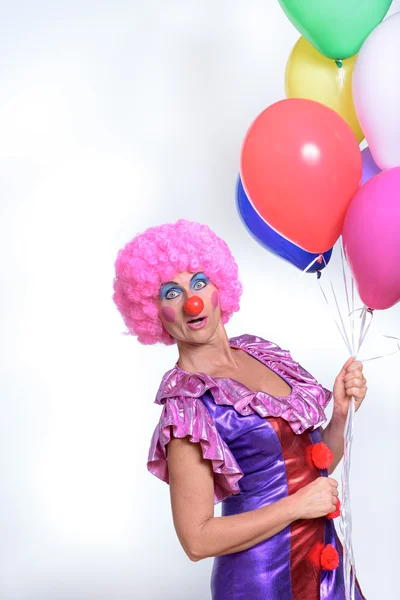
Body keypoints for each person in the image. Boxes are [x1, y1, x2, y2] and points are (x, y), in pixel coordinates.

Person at [113, 219, 368, 600]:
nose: (191, 302)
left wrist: (342, 416)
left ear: (219, 286)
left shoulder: (260, 353)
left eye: (199, 283)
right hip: (263, 583)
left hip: (323, 566)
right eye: (171, 293)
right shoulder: (189, 406)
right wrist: (298, 506)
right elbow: (196, 539)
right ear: (152, 312)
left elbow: (313, 469)